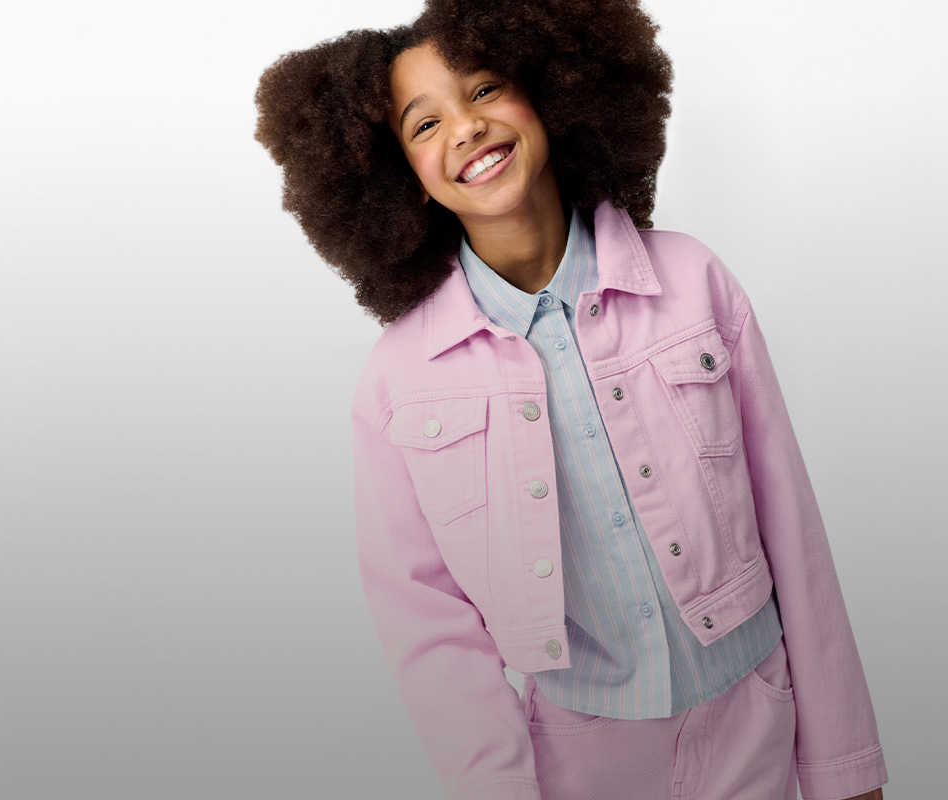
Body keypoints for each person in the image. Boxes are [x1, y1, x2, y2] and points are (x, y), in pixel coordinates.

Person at [250, 1, 889, 798]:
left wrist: (843, 764)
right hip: (579, 762)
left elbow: (791, 524)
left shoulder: (694, 281)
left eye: (485, 89)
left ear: (550, 93)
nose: (466, 128)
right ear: (398, 178)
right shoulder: (399, 380)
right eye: (425, 124)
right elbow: (427, 624)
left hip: (756, 718)